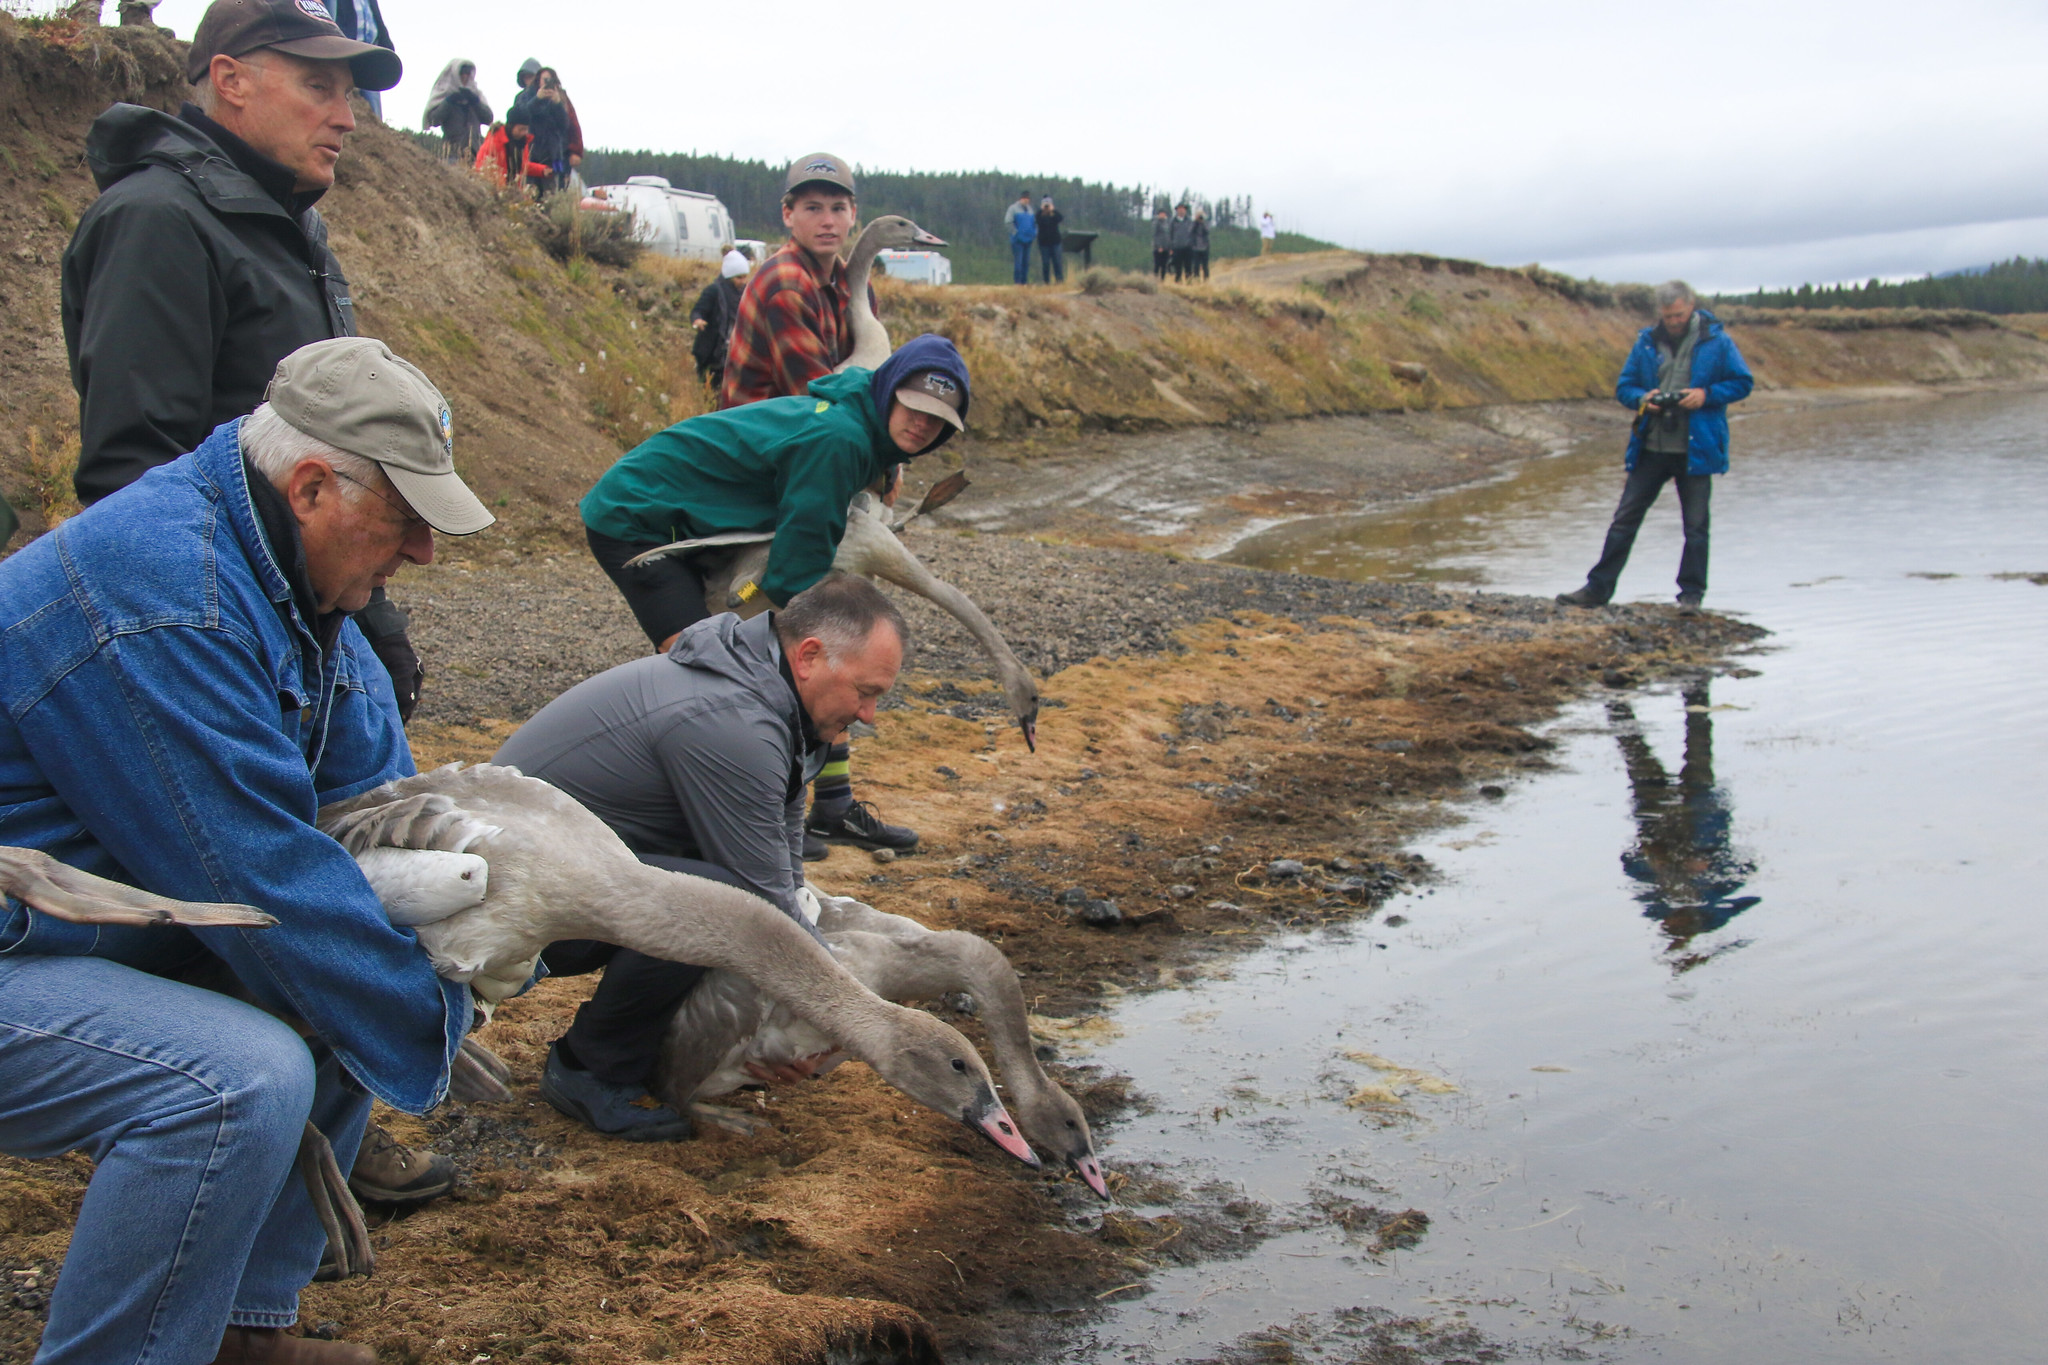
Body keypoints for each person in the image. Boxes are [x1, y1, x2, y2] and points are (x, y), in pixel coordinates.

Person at [0, 336, 495, 1365]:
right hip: (18, 942)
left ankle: (238, 1334)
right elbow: (252, 873)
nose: (423, 555)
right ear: (313, 484)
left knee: (348, 969)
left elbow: (377, 807)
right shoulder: (167, 595)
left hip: (80, 925)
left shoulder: (293, 586)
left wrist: (451, 951)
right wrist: (431, 1013)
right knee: (240, 1073)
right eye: (406, 522)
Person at [59, 0, 450, 1212]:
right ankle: (244, 1095)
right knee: (257, 859)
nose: (348, 115)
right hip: (225, 623)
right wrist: (245, 636)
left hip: (312, 611)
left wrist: (360, 618)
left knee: (344, 849)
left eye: (355, 91)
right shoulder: (159, 221)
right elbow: (135, 464)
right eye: (318, 86)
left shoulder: (278, 224)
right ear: (227, 79)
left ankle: (318, 1096)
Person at [495, 573, 908, 1137]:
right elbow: (763, 908)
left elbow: (786, 878)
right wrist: (844, 1019)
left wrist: (815, 1010)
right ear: (810, 656)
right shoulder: (734, 723)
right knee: (722, 903)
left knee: (731, 898)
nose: (869, 715)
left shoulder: (770, 697)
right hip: (504, 902)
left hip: (569, 873)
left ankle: (630, 1050)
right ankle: (590, 1070)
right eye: (866, 692)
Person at [588, 330, 968, 862]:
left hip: (703, 518)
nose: (922, 423)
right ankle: (671, 808)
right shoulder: (840, 439)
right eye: (914, 406)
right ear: (890, 392)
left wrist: (887, 465)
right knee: (700, 662)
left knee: (798, 658)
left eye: (939, 420)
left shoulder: (863, 423)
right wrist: (744, 621)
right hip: (639, 519)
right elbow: (795, 570)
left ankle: (829, 804)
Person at [1556, 281, 1753, 615]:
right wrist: (1643, 399)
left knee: (1695, 527)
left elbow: (1742, 382)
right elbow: (1625, 387)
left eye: (1678, 315)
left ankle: (1691, 596)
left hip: (1697, 450)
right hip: (1651, 446)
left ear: (1690, 305)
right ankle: (1598, 589)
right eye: (1668, 316)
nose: (1673, 321)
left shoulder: (1717, 341)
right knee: (1624, 520)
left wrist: (1706, 395)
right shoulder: (1646, 343)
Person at [317, 0, 392, 119]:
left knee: (373, 111)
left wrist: (385, 42)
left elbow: (376, 16)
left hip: (369, 54)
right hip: (345, 53)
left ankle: (374, 131)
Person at [691, 247, 751, 389]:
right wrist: (698, 321)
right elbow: (698, 310)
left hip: (734, 353)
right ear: (729, 276)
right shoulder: (713, 291)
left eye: (744, 277)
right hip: (713, 353)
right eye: (739, 278)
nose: (743, 281)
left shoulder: (745, 292)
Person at [508, 66, 569, 194]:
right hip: (530, 153)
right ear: (538, 80)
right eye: (545, 79)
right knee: (529, 194)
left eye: (550, 80)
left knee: (550, 197)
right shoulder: (525, 96)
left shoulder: (560, 98)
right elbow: (520, 116)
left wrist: (557, 104)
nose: (547, 83)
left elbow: (564, 125)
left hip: (552, 155)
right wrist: (537, 99)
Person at [422, 57, 491, 163]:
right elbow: (433, 120)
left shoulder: (476, 94)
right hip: (453, 153)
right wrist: (449, 102)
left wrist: (475, 102)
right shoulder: (443, 93)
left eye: (468, 73)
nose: (465, 76)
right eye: (462, 73)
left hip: (475, 153)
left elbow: (488, 118)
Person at [1006, 190, 1036, 285]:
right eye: (1024, 198)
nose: (1026, 200)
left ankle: (1024, 282)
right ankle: (1017, 282)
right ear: (1020, 199)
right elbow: (1008, 222)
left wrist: (1034, 233)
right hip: (1017, 241)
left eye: (1027, 198)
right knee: (1018, 262)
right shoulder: (1013, 208)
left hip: (1028, 240)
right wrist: (1016, 233)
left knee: (1026, 263)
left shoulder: (1030, 210)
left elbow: (1034, 223)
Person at [1035, 194, 1065, 284]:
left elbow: (1060, 218)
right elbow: (1038, 221)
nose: (1046, 207)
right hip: (1044, 243)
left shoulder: (1054, 214)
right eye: (1045, 205)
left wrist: (1053, 210)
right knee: (1046, 263)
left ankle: (1059, 281)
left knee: (1057, 262)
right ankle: (1046, 282)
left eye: (1048, 205)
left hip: (1055, 242)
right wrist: (1042, 211)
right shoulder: (1039, 214)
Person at [1168, 202, 1194, 282]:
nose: (1181, 211)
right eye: (1179, 209)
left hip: (1188, 248)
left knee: (1188, 268)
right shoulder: (1173, 222)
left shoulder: (1189, 221)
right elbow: (1170, 235)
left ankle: (1189, 285)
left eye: (1183, 209)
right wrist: (1170, 248)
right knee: (1178, 269)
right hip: (1177, 248)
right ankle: (1178, 284)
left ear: (1185, 210)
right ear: (1177, 210)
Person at [1189, 208, 1211, 281]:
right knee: (1196, 266)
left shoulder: (1206, 223)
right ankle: (1196, 280)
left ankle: (1206, 280)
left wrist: (1202, 222)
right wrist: (1196, 222)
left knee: (1205, 266)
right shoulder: (1193, 223)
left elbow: (1207, 231)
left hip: (1204, 247)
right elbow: (1190, 231)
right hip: (1195, 248)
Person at [1151, 207, 1171, 278]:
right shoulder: (1156, 223)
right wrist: (1159, 246)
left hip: (1166, 248)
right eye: (1161, 214)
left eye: (1163, 214)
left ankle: (1162, 280)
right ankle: (1155, 280)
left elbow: (1169, 236)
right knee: (1157, 265)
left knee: (1164, 266)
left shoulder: (1168, 223)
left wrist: (1169, 247)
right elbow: (1155, 235)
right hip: (1158, 248)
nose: (1162, 215)